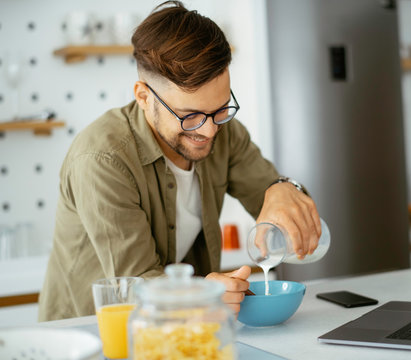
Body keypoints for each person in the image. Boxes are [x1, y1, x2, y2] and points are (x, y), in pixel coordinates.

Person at [38, 0, 322, 321]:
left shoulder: (224, 132)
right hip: (90, 333)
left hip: (176, 330)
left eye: (220, 109)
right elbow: (135, 283)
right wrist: (203, 292)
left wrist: (283, 189)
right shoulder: (102, 159)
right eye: (190, 116)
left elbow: (278, 209)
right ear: (144, 97)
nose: (210, 129)